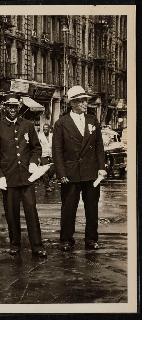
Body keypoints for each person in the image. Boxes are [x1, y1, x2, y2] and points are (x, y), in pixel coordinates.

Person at [0, 93, 46, 257]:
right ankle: (15, 244)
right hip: (9, 177)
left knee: (31, 212)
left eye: (15, 106)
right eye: (9, 106)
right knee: (11, 213)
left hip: (27, 177)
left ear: (19, 108)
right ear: (5, 107)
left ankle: (37, 245)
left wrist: (34, 162)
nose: (12, 109)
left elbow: (36, 148)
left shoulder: (27, 125)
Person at [52, 86, 106, 251]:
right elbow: (57, 151)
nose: (85, 103)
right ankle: (66, 240)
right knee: (68, 208)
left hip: (91, 172)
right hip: (70, 174)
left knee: (92, 208)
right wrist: (61, 173)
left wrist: (101, 168)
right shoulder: (61, 123)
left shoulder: (92, 120)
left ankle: (91, 239)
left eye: (85, 100)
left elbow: (99, 147)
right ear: (72, 103)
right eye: (81, 100)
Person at [37, 123, 55, 192]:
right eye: (44, 128)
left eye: (46, 128)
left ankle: (47, 182)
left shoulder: (52, 135)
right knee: (45, 171)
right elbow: (37, 146)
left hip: (51, 155)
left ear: (49, 129)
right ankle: (47, 186)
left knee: (52, 170)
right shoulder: (40, 136)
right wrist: (38, 156)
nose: (45, 130)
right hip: (43, 155)